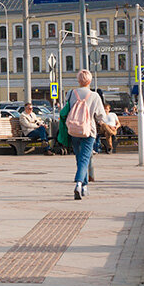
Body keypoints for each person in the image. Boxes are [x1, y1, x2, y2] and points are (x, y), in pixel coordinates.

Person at [60, 69, 106, 200]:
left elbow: (65, 109)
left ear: (78, 80)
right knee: (85, 158)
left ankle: (85, 186)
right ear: (90, 81)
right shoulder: (94, 96)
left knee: (79, 158)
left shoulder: (71, 93)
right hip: (89, 131)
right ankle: (79, 184)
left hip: (74, 129)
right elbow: (100, 115)